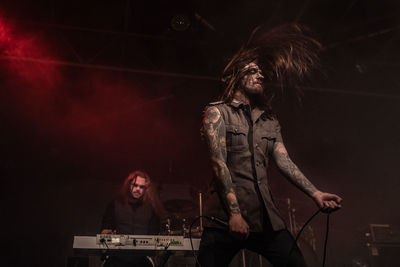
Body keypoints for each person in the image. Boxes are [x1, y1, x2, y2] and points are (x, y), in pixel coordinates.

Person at [199, 24, 343, 267]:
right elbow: (218, 163)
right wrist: (235, 214)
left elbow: (284, 162)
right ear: (236, 76)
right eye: (252, 71)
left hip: (266, 218)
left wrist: (315, 193)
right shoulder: (217, 113)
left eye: (261, 72)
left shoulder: (269, 120)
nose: (260, 75)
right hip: (224, 219)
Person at [101, 170, 165, 267]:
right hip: (117, 256)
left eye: (141, 187)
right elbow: (105, 230)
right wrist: (108, 234)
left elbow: (154, 235)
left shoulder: (151, 208)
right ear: (128, 185)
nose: (138, 189)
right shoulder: (115, 204)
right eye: (135, 185)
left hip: (142, 258)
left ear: (145, 189)